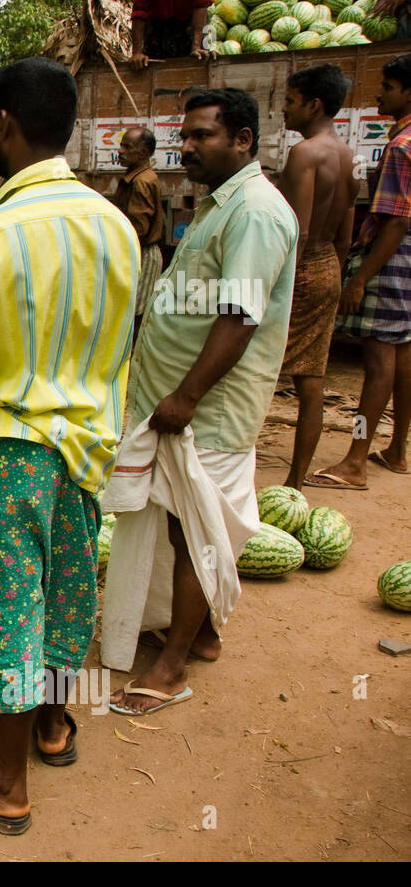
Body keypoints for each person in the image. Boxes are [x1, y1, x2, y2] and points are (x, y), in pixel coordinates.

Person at [0, 58, 139, 834]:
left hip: (12, 450)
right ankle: (55, 727)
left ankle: (5, 787)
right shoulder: (117, 226)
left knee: (14, 613)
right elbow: (121, 346)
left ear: (5, 124)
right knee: (66, 598)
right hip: (84, 449)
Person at [104, 88, 298, 714]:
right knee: (177, 518)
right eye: (184, 135)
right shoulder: (220, 204)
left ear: (243, 140)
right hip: (181, 406)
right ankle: (201, 633)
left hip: (209, 410)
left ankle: (172, 667)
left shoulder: (255, 213)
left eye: (202, 136)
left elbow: (239, 318)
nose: (186, 146)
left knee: (195, 532)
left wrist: (186, 395)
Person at [307, 54, 411, 488]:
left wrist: (361, 276)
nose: (378, 93)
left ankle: (356, 459)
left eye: (386, 87)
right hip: (408, 260)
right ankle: (398, 450)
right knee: (403, 355)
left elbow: (397, 221)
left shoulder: (401, 147)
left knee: (378, 359)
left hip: (392, 258)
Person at [276, 65, 360, 491]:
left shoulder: (306, 154)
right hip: (328, 265)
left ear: (314, 105)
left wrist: (277, 282)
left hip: (301, 269)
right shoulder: (348, 157)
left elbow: (298, 230)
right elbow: (345, 233)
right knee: (311, 380)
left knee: (253, 366)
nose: (284, 110)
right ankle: (295, 480)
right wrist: (337, 275)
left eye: (290, 101)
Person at [113, 127, 166, 339]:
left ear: (142, 153)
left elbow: (139, 228)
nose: (121, 150)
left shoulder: (141, 181)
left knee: (135, 314)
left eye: (127, 146)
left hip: (142, 254)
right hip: (138, 251)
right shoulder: (138, 178)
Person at [130, 0, 215, 69]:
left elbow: (201, 5)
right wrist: (137, 52)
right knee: (156, 66)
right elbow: (140, 11)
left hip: (193, 20)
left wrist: (196, 46)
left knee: (200, 61)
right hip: (158, 22)